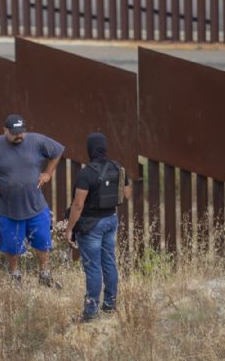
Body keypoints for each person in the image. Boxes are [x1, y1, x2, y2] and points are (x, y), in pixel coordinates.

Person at [0, 114, 64, 286]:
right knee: (12, 246)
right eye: (14, 133)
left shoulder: (36, 140)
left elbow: (57, 151)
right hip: (9, 209)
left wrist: (48, 173)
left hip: (36, 206)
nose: (19, 136)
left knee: (43, 242)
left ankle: (45, 274)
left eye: (21, 132)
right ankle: (15, 275)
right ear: (5, 130)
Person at [64, 133, 131, 322]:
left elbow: (78, 205)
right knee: (109, 262)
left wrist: (70, 229)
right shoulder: (118, 168)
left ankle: (91, 312)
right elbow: (127, 194)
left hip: (91, 225)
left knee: (93, 267)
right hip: (111, 220)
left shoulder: (86, 173)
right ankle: (110, 305)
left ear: (90, 150)